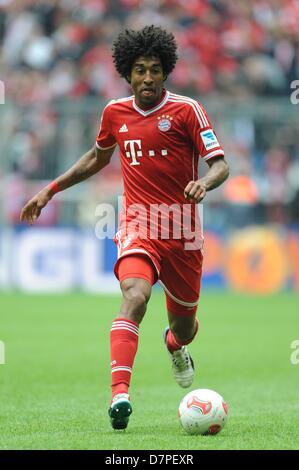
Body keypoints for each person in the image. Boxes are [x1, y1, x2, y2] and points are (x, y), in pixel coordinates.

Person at [20, 25, 229, 430]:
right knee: (135, 296)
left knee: (183, 328)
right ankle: (120, 396)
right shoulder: (114, 112)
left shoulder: (187, 110)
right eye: (139, 70)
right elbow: (97, 158)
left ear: (165, 71)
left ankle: (175, 346)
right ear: (126, 73)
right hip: (138, 224)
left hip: (183, 231)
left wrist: (204, 181)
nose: (147, 78)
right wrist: (50, 190)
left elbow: (221, 164)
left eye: (154, 69)